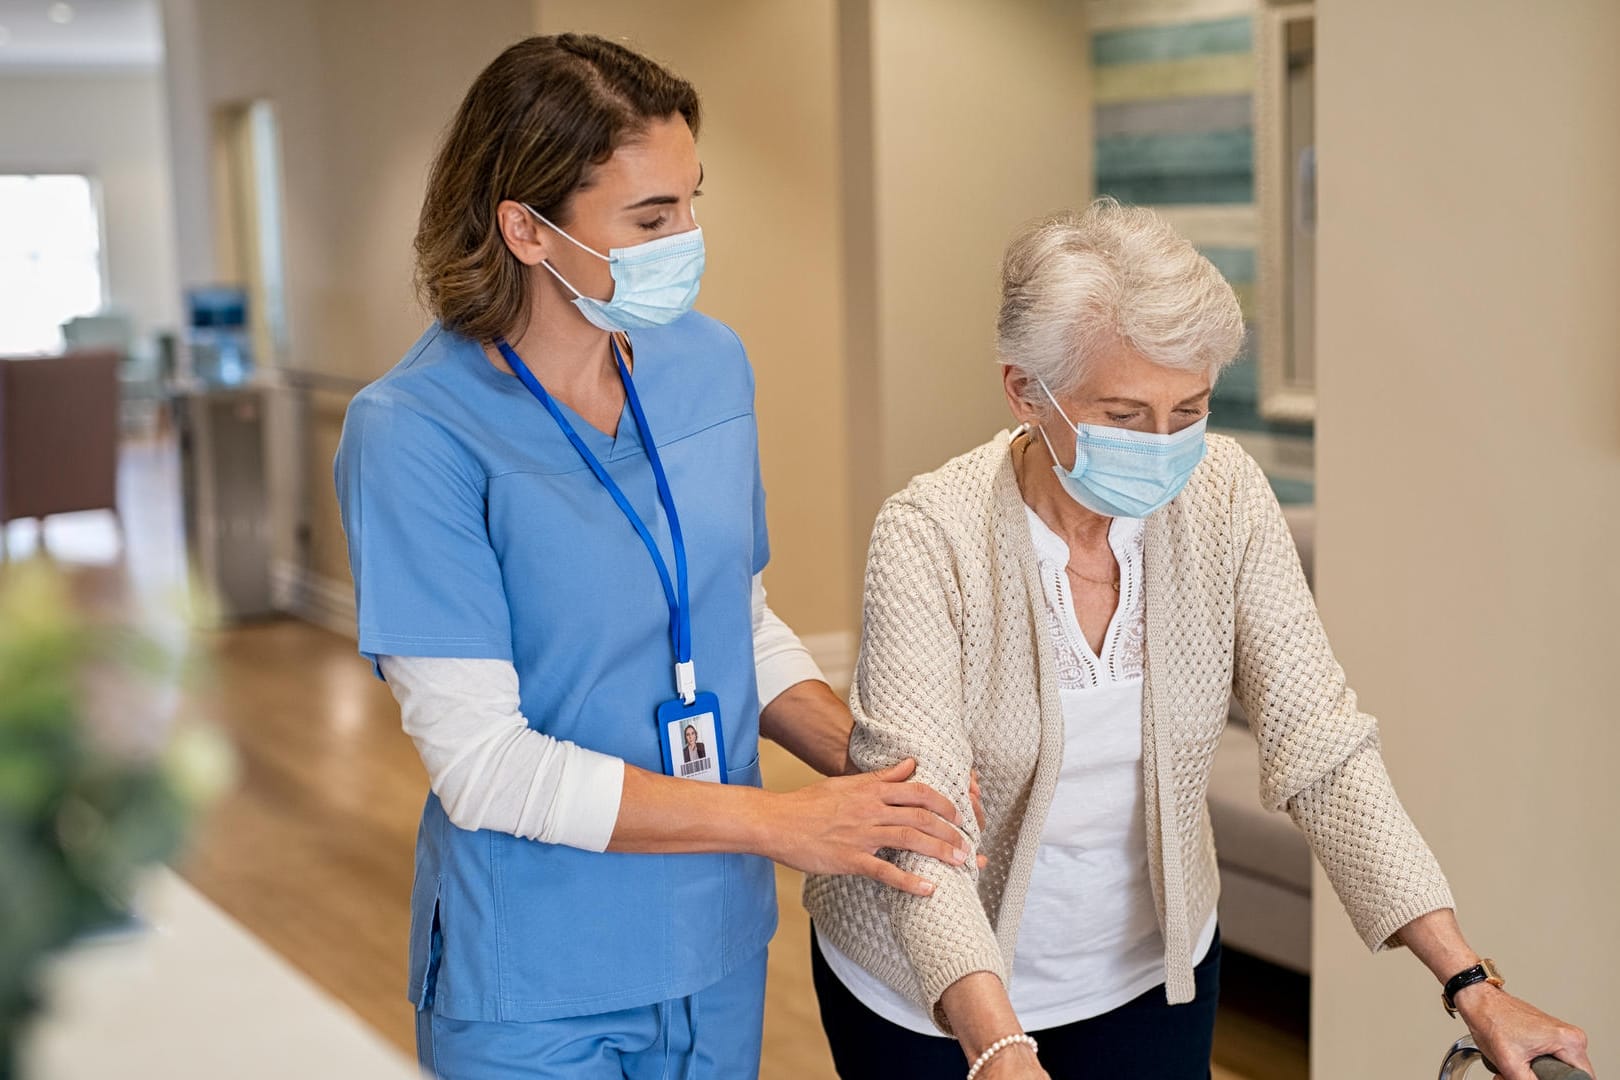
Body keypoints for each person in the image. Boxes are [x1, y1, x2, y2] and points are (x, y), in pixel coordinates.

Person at [804, 200, 1594, 1080]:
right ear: (1026, 390)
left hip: (1146, 979)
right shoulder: (929, 536)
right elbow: (923, 830)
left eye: (1191, 409)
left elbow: (1323, 746)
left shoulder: (1224, 497)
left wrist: (1472, 982)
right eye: (1126, 414)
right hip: (927, 995)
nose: (1167, 445)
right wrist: (998, 1049)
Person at [333, 34, 969, 1079]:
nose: (689, 238)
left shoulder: (708, 367)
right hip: (533, 974)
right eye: (651, 217)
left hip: (714, 940)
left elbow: (735, 618)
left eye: (691, 201)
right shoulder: (414, 431)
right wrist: (782, 824)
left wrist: (874, 765)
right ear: (524, 230)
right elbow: (483, 768)